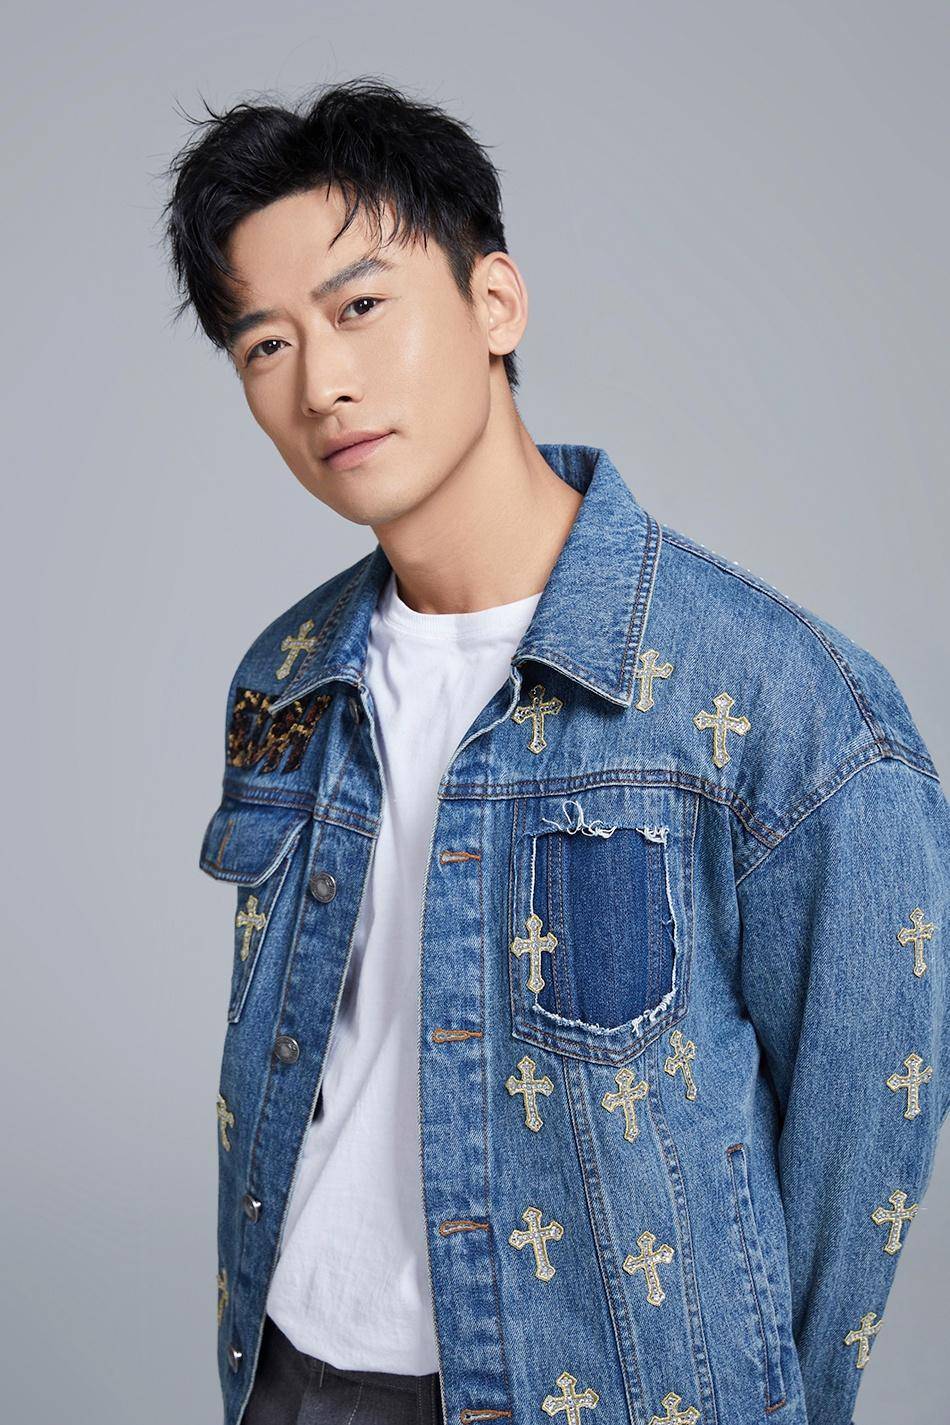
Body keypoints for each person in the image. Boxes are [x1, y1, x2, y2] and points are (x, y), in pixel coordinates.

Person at [163, 76, 949, 1425]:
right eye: (266, 345)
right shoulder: (287, 677)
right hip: (294, 1373)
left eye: (360, 307)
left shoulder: (785, 706)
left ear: (495, 304)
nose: (323, 383)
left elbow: (856, 1155)